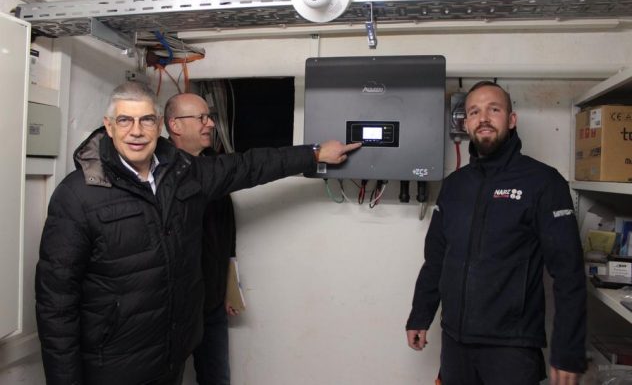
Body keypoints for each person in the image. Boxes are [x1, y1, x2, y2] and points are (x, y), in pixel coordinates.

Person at [35, 81, 360, 385]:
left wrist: (314, 154)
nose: (136, 131)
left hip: (170, 358)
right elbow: (56, 304)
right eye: (124, 120)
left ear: (159, 125)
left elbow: (248, 166)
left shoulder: (184, 173)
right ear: (108, 126)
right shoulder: (77, 195)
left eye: (146, 120)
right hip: (113, 366)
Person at [405, 81, 586, 385]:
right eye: (474, 112)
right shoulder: (454, 186)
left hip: (511, 348)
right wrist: (420, 315)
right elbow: (436, 259)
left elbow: (569, 272)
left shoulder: (543, 182)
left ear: (511, 119)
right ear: (466, 124)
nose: (484, 118)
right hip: (455, 344)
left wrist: (568, 350)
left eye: (494, 109)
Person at [164, 92, 237, 385]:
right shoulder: (158, 174)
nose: (210, 124)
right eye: (202, 118)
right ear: (175, 125)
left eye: (210, 117)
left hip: (212, 302)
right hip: (173, 308)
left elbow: (226, 231)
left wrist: (228, 286)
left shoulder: (215, 167)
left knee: (217, 378)